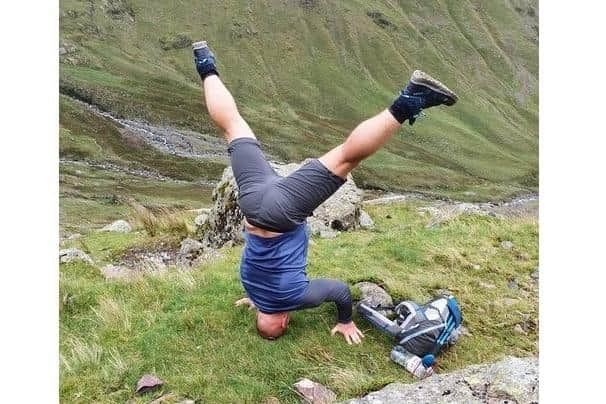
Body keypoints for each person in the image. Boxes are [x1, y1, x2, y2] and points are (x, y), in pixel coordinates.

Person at [192, 41, 458, 344]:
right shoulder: (250, 287)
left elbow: (339, 291)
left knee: (346, 157)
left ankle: (409, 100)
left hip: (281, 212)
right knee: (233, 128)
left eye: (284, 323)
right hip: (252, 204)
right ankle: (205, 65)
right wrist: (256, 300)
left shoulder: (293, 299)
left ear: (282, 322)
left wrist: (345, 321)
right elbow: (261, 283)